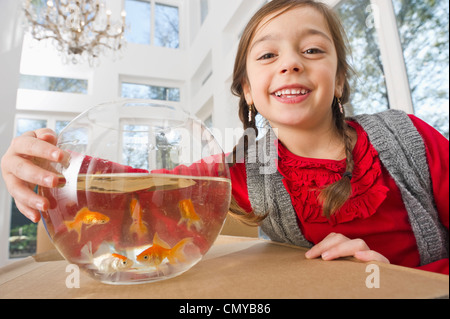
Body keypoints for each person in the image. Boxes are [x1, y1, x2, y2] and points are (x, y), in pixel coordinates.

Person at [2, 0, 448, 274]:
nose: (290, 62)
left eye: (312, 49)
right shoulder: (245, 169)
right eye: (268, 54)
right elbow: (145, 185)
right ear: (250, 92)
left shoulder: (408, 136)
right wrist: (52, 164)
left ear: (340, 79)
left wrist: (404, 283)